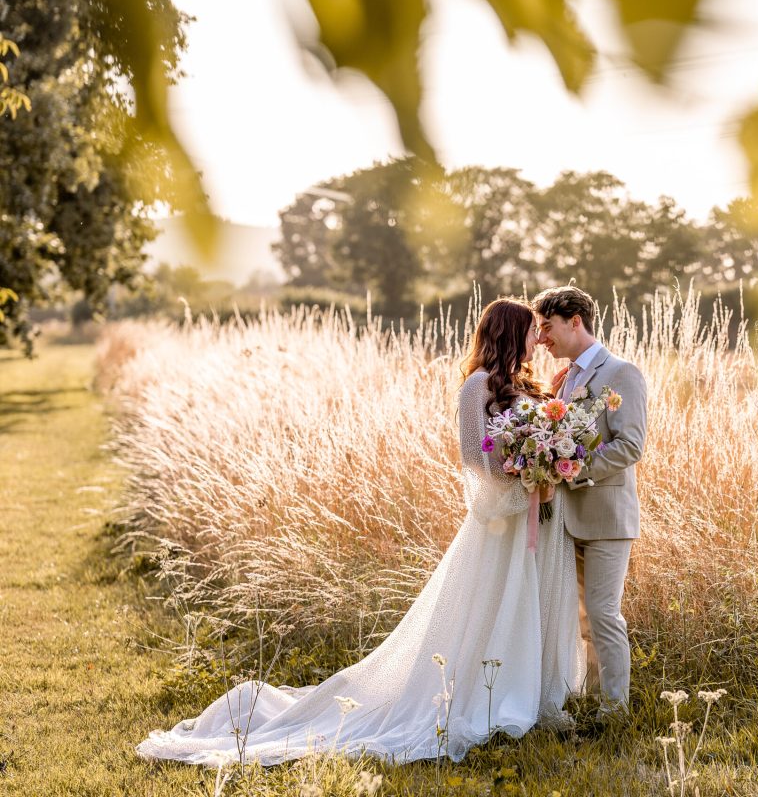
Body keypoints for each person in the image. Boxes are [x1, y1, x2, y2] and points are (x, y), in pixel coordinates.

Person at [136, 298, 583, 767]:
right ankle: (491, 695)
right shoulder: (477, 386)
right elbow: (474, 455)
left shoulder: (529, 385)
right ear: (510, 332)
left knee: (532, 602)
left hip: (538, 519)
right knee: (495, 605)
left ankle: (536, 693)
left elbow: (545, 434)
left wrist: (545, 464)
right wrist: (521, 471)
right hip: (503, 520)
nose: (539, 337)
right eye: (532, 330)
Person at [533, 285, 647, 713]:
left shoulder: (622, 372)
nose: (541, 338)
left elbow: (630, 445)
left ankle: (616, 712)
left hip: (606, 515)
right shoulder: (566, 379)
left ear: (574, 322)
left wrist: (574, 471)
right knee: (582, 621)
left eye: (547, 327)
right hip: (569, 517)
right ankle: (593, 702)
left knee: (603, 614)